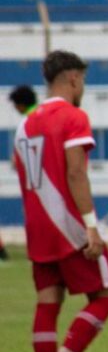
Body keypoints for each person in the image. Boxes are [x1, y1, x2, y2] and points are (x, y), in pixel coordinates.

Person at [13, 51, 108, 352]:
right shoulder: (73, 117)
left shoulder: (25, 125)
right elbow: (76, 172)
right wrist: (91, 225)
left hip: (37, 227)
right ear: (73, 78)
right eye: (83, 80)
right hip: (69, 225)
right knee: (104, 297)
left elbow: (24, 174)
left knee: (48, 302)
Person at [3, 85, 38, 260]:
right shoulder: (40, 114)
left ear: (21, 104)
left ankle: (38, 251)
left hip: (36, 180)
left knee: (34, 215)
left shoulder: (30, 121)